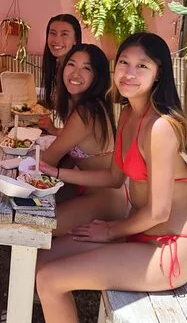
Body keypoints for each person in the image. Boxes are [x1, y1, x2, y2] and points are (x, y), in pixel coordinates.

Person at [35, 32, 187, 323]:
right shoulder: (126, 114)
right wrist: (57, 172)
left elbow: (159, 212)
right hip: (135, 233)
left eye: (142, 66)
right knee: (40, 261)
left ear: (159, 74)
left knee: (50, 279)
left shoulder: (161, 127)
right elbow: (114, 178)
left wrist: (111, 230)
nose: (129, 73)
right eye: (124, 62)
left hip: (169, 246)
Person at [41, 44, 128, 237]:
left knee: (37, 227)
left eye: (86, 68)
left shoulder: (86, 111)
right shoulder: (83, 105)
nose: (76, 73)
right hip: (88, 191)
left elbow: (49, 159)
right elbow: (68, 153)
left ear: (98, 77)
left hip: (105, 200)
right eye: (71, 64)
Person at [38, 14, 82, 136]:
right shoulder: (59, 68)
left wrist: (54, 130)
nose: (57, 40)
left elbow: (82, 127)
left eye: (64, 34)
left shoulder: (76, 74)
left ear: (75, 39)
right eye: (52, 33)